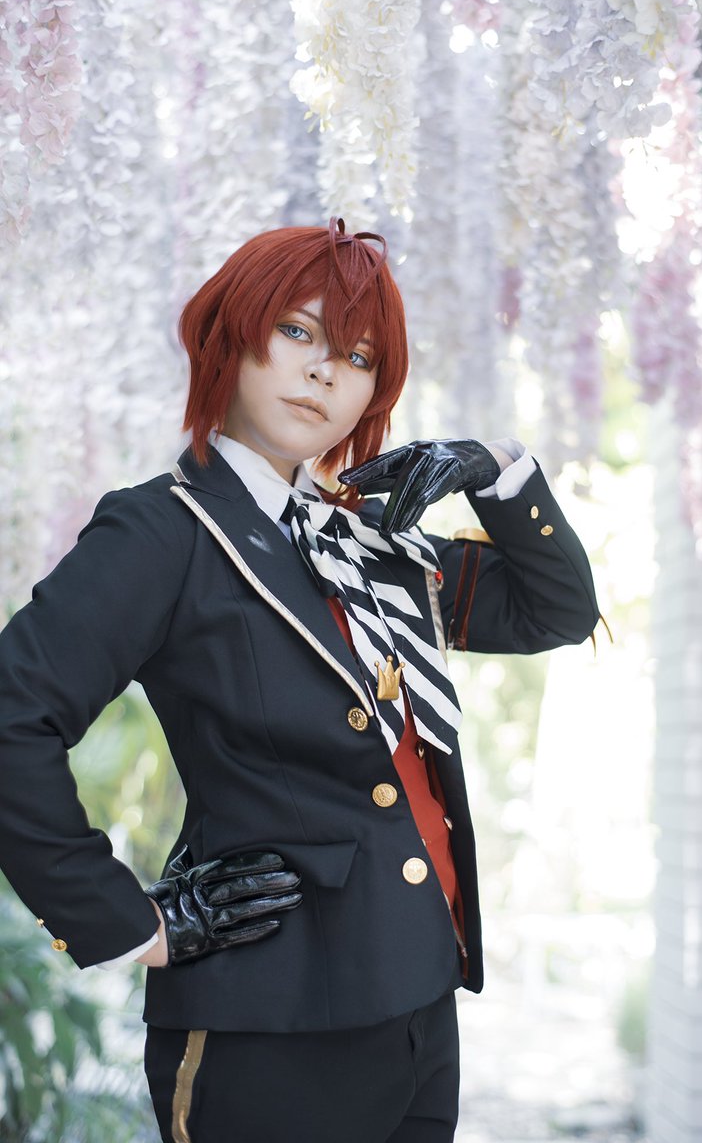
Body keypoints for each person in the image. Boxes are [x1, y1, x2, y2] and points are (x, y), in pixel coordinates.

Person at [0, 216, 608, 1143]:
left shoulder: (366, 543)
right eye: (297, 332)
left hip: (416, 1002)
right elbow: (13, 716)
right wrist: (123, 921)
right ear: (230, 336)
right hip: (268, 1022)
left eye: (358, 356)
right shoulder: (164, 531)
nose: (326, 372)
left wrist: (493, 471)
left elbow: (551, 610)